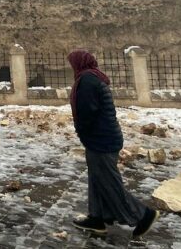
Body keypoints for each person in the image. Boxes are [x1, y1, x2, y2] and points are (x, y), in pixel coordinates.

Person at [68, 49, 159, 238]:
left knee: (109, 183)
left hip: (100, 140)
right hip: (105, 137)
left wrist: (82, 131)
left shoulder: (87, 81)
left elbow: (87, 112)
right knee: (97, 179)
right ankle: (97, 218)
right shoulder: (94, 77)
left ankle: (143, 215)